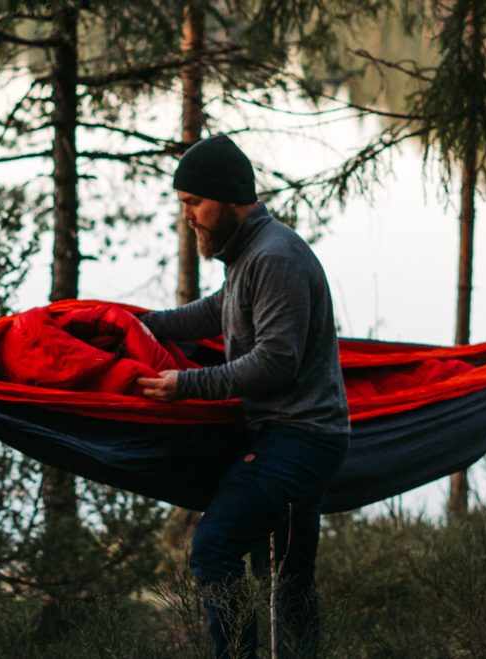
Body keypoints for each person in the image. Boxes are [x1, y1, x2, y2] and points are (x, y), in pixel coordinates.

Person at [137, 134, 350, 659]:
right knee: (287, 576)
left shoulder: (275, 257)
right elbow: (213, 313)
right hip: (297, 436)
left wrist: (185, 386)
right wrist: (138, 326)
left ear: (231, 197)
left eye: (194, 203)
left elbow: (278, 361)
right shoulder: (250, 253)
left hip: (300, 439)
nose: (188, 216)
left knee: (214, 549)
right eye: (183, 204)